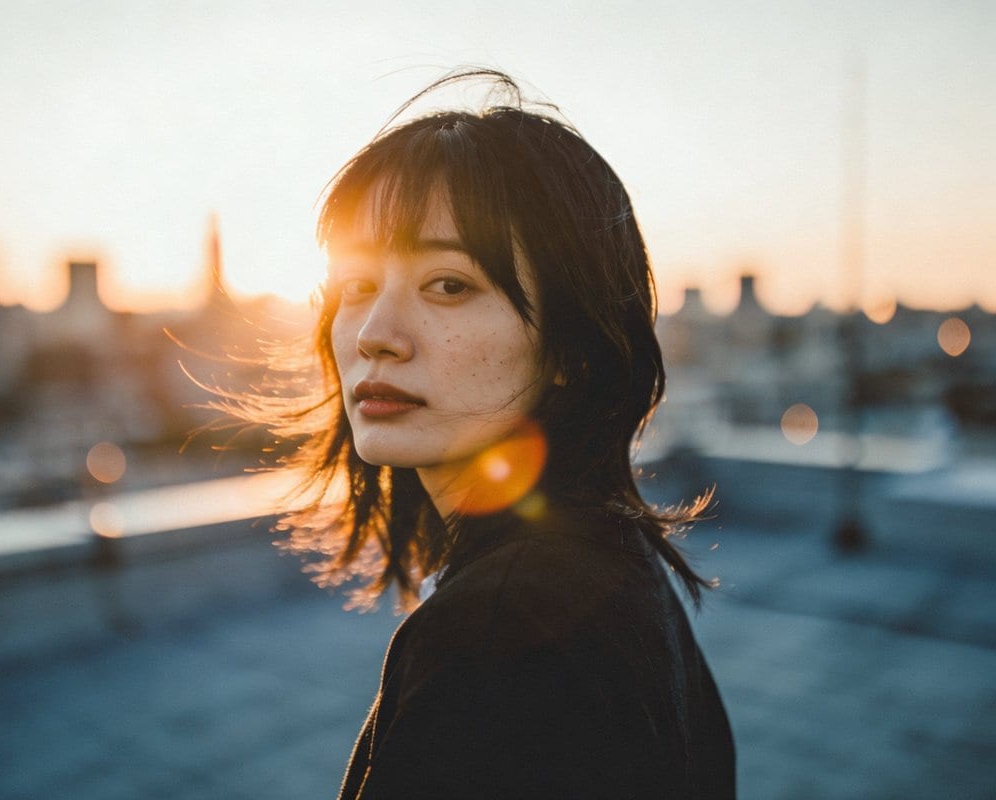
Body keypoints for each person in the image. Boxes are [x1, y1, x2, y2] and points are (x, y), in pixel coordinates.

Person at [240, 69, 735, 798]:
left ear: (571, 346)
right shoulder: (609, 558)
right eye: (357, 287)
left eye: (449, 284)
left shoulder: (501, 636)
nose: (376, 336)